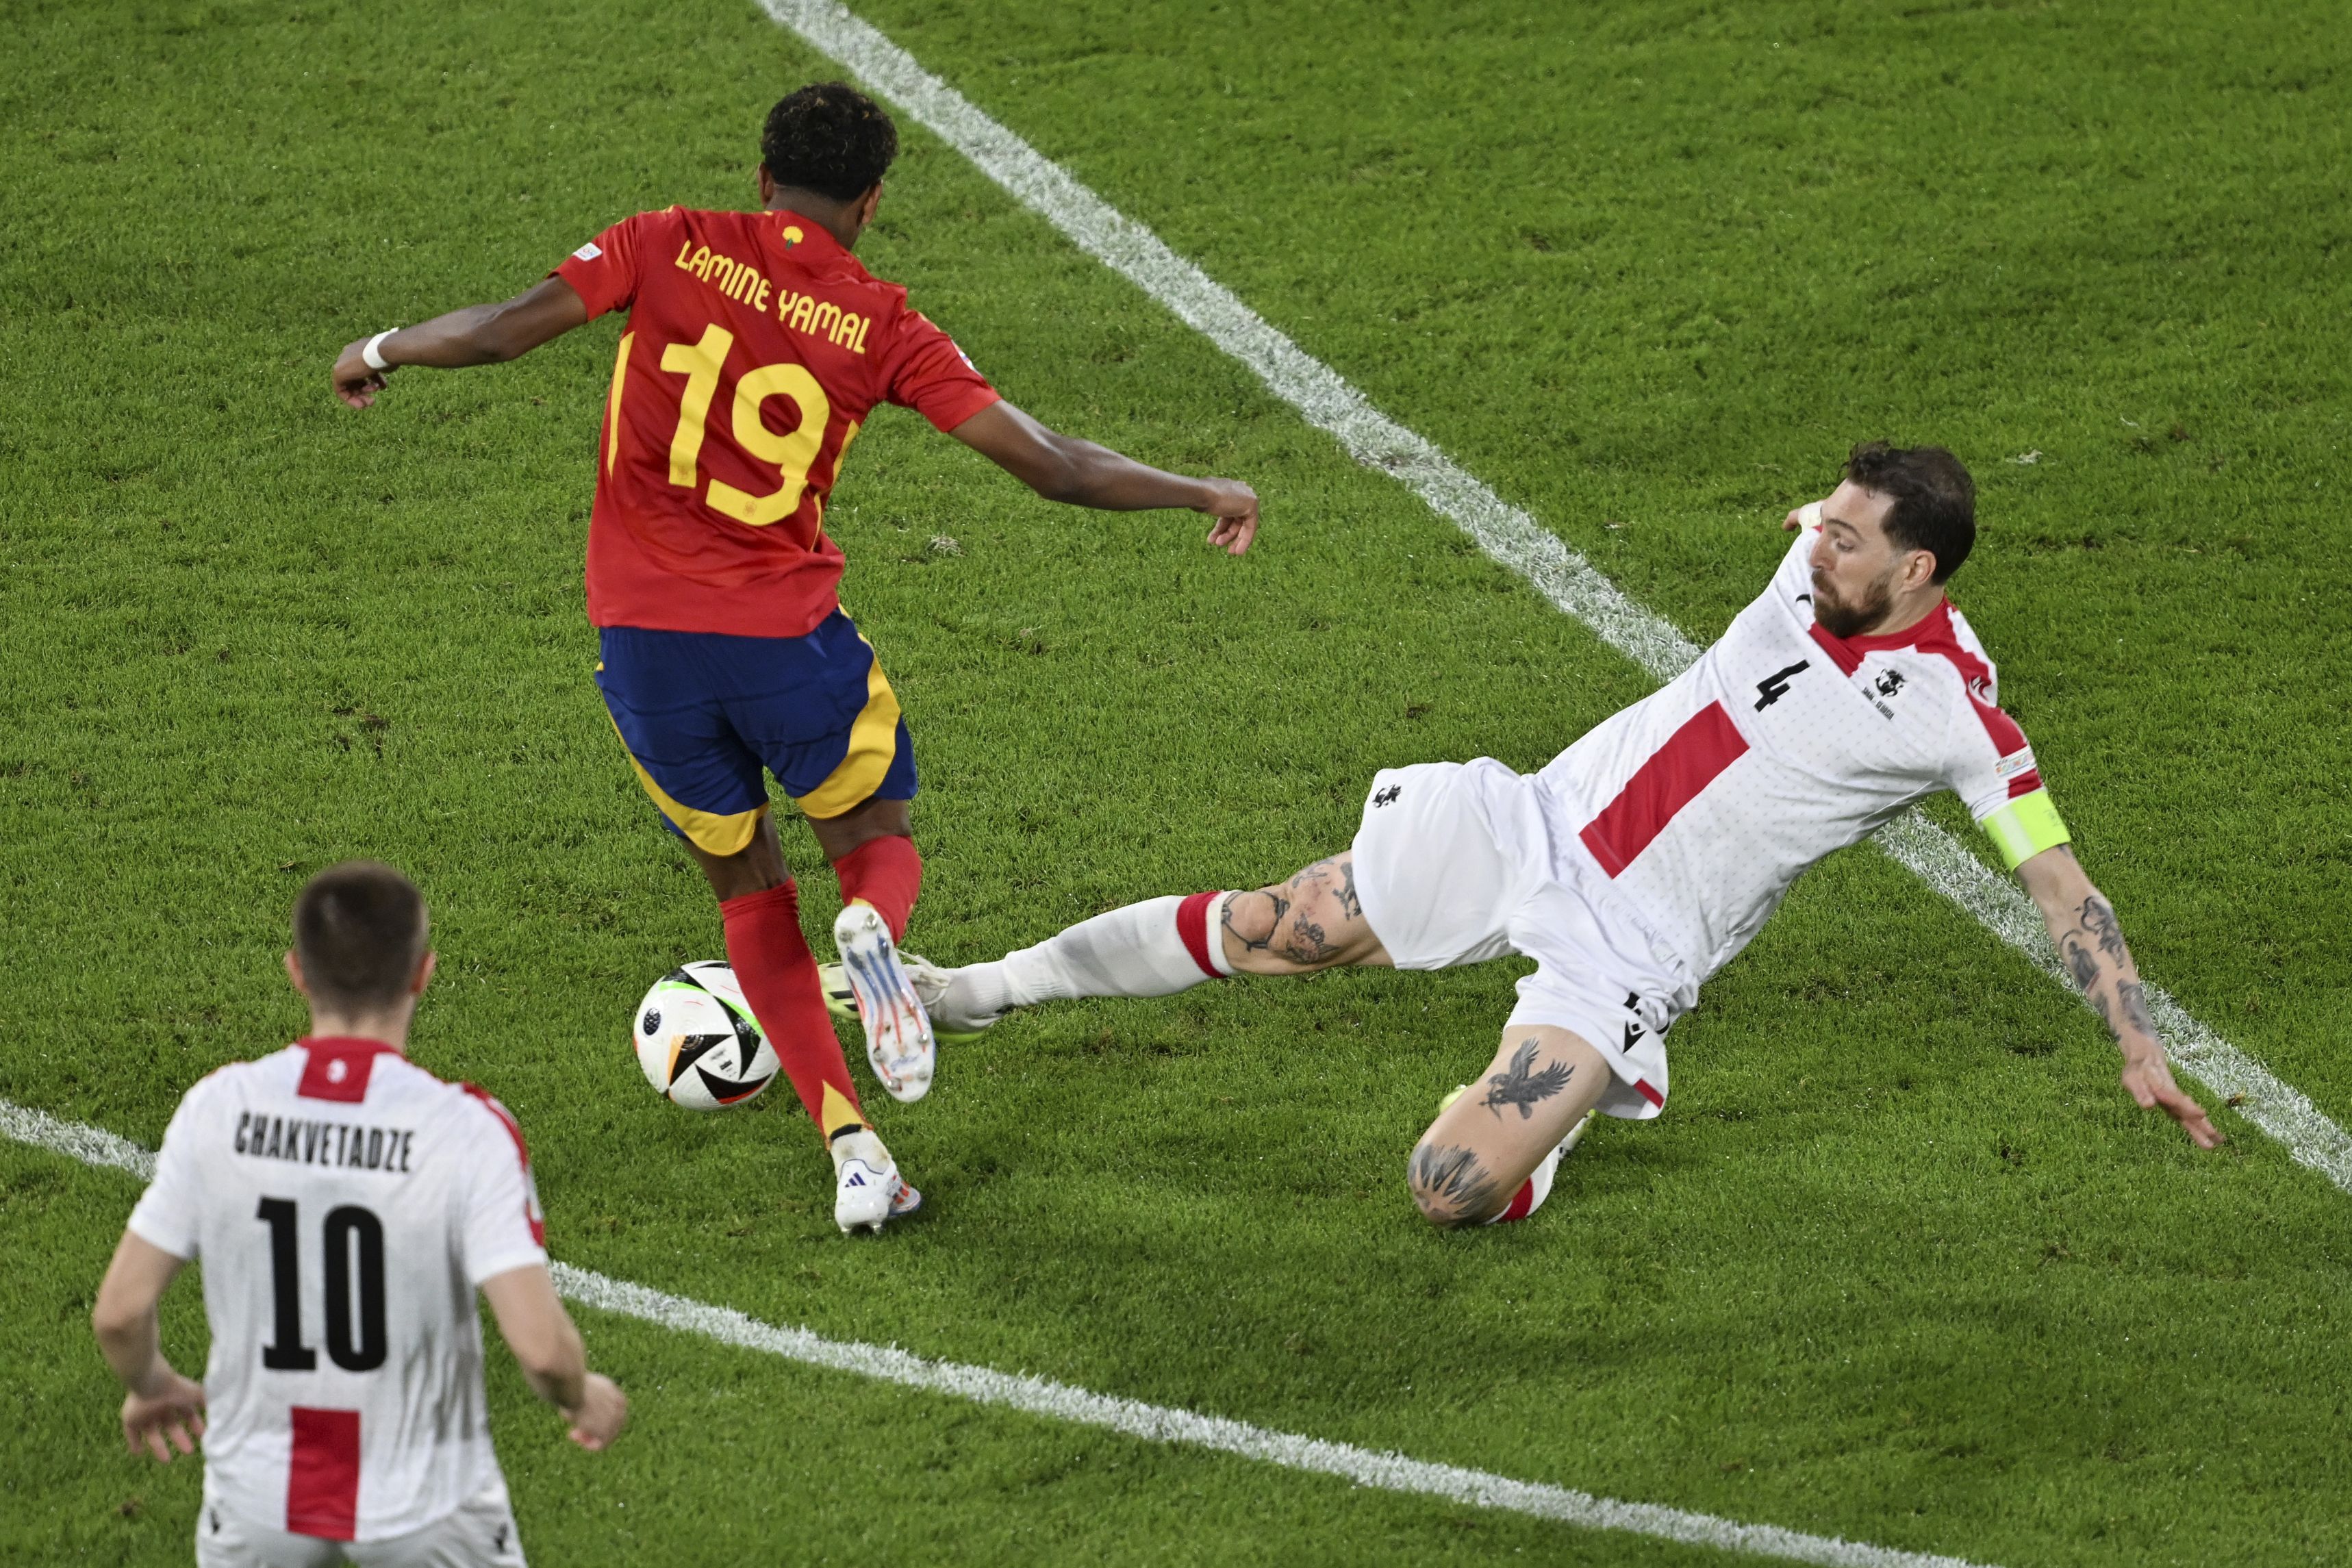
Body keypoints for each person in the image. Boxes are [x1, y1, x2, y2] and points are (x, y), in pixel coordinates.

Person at [330, 82, 1259, 1234]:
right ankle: (875, 934)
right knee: (874, 845)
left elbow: (500, 330)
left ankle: (853, 1151)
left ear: (765, 177)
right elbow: (1052, 464)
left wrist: (377, 349)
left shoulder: (664, 242)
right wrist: (1202, 489)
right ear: (871, 202)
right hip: (785, 642)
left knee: (749, 891)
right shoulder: (884, 323)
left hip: (644, 652)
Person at [919, 442, 2223, 1226]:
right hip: (1534, 822)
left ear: (1917, 573)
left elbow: (2063, 889)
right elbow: (1808, 530)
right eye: (1821, 523)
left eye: (1845, 538)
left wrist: (2134, 1039)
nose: (1815, 544)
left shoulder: (1961, 720)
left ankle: (1549, 1129)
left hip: (1629, 951)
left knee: (1446, 1187)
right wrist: (1821, 524)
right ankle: (980, 989)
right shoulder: (1815, 562)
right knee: (1285, 925)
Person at [92, 862, 627, 1566]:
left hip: (258, 1498)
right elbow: (542, 1351)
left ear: (297, 973)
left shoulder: (217, 1109)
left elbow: (119, 1314)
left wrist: (151, 1384)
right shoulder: (465, 1129)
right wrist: (580, 1396)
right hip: (428, 1502)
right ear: (422, 973)